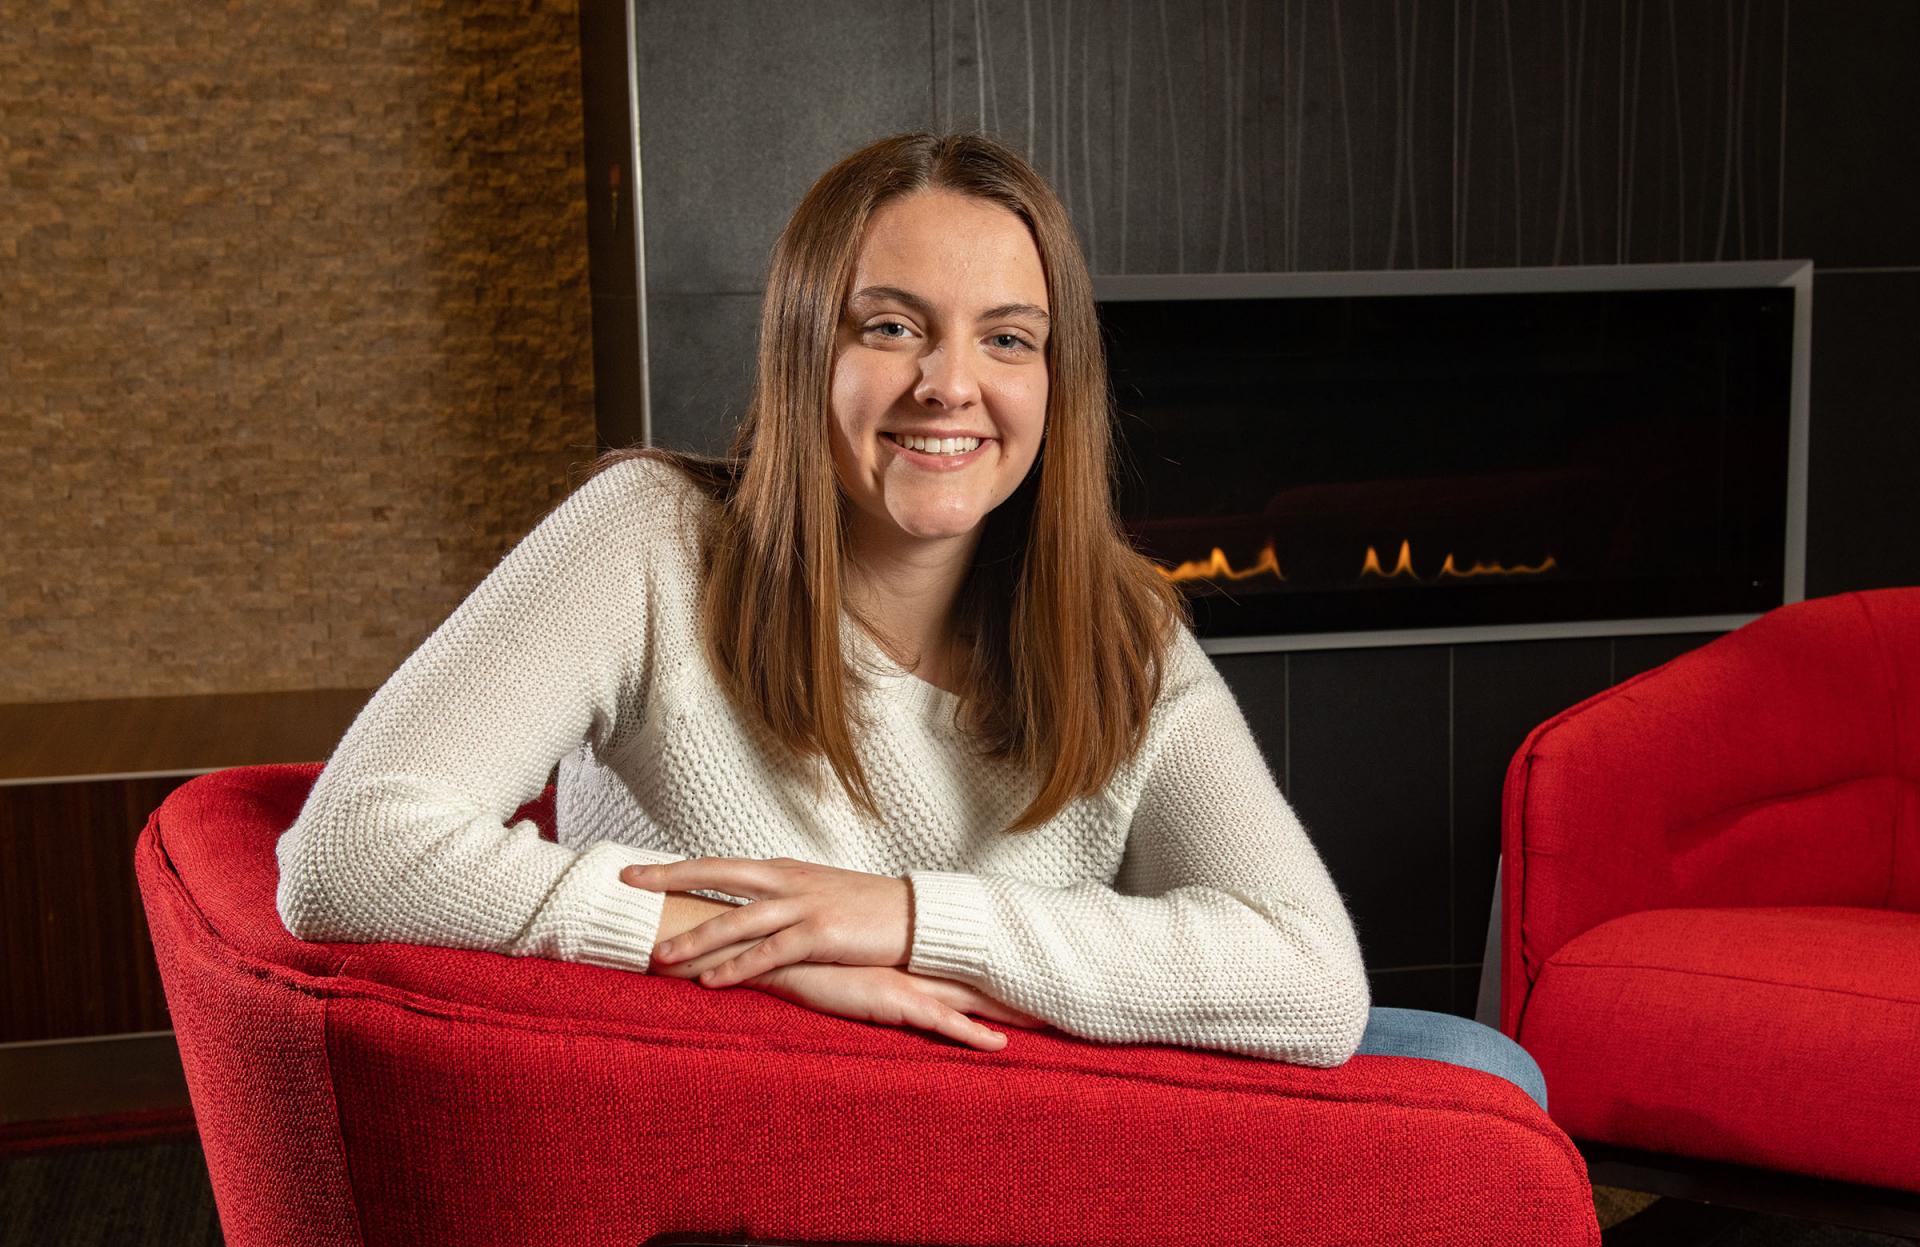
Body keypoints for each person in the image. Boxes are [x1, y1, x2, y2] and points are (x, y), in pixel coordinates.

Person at [274, 130, 1546, 1111]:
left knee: (1482, 1066)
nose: (952, 385)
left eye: (1009, 338)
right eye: (892, 327)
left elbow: (1311, 981)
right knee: (1476, 1077)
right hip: (810, 1129)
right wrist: (751, 945)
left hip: (1039, 1099)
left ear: (1057, 381)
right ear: (800, 347)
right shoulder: (649, 539)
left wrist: (904, 915)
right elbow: (345, 852)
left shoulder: (1119, 625)